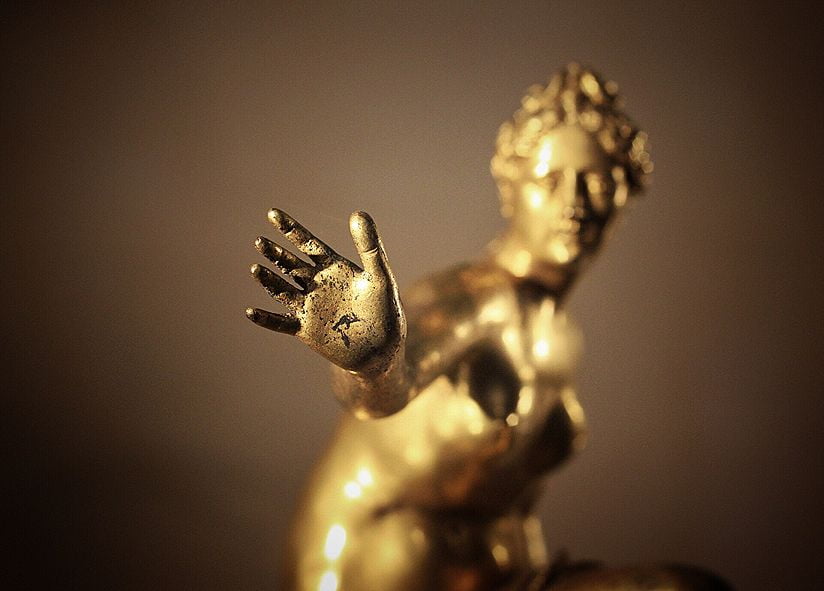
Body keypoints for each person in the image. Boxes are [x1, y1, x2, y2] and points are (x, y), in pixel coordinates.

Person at [245, 64, 721, 590]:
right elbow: (387, 390)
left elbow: (514, 499)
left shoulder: (562, 336)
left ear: (625, 196)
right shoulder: (472, 298)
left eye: (597, 182)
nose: (574, 203)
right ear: (511, 190)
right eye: (549, 181)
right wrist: (374, 365)